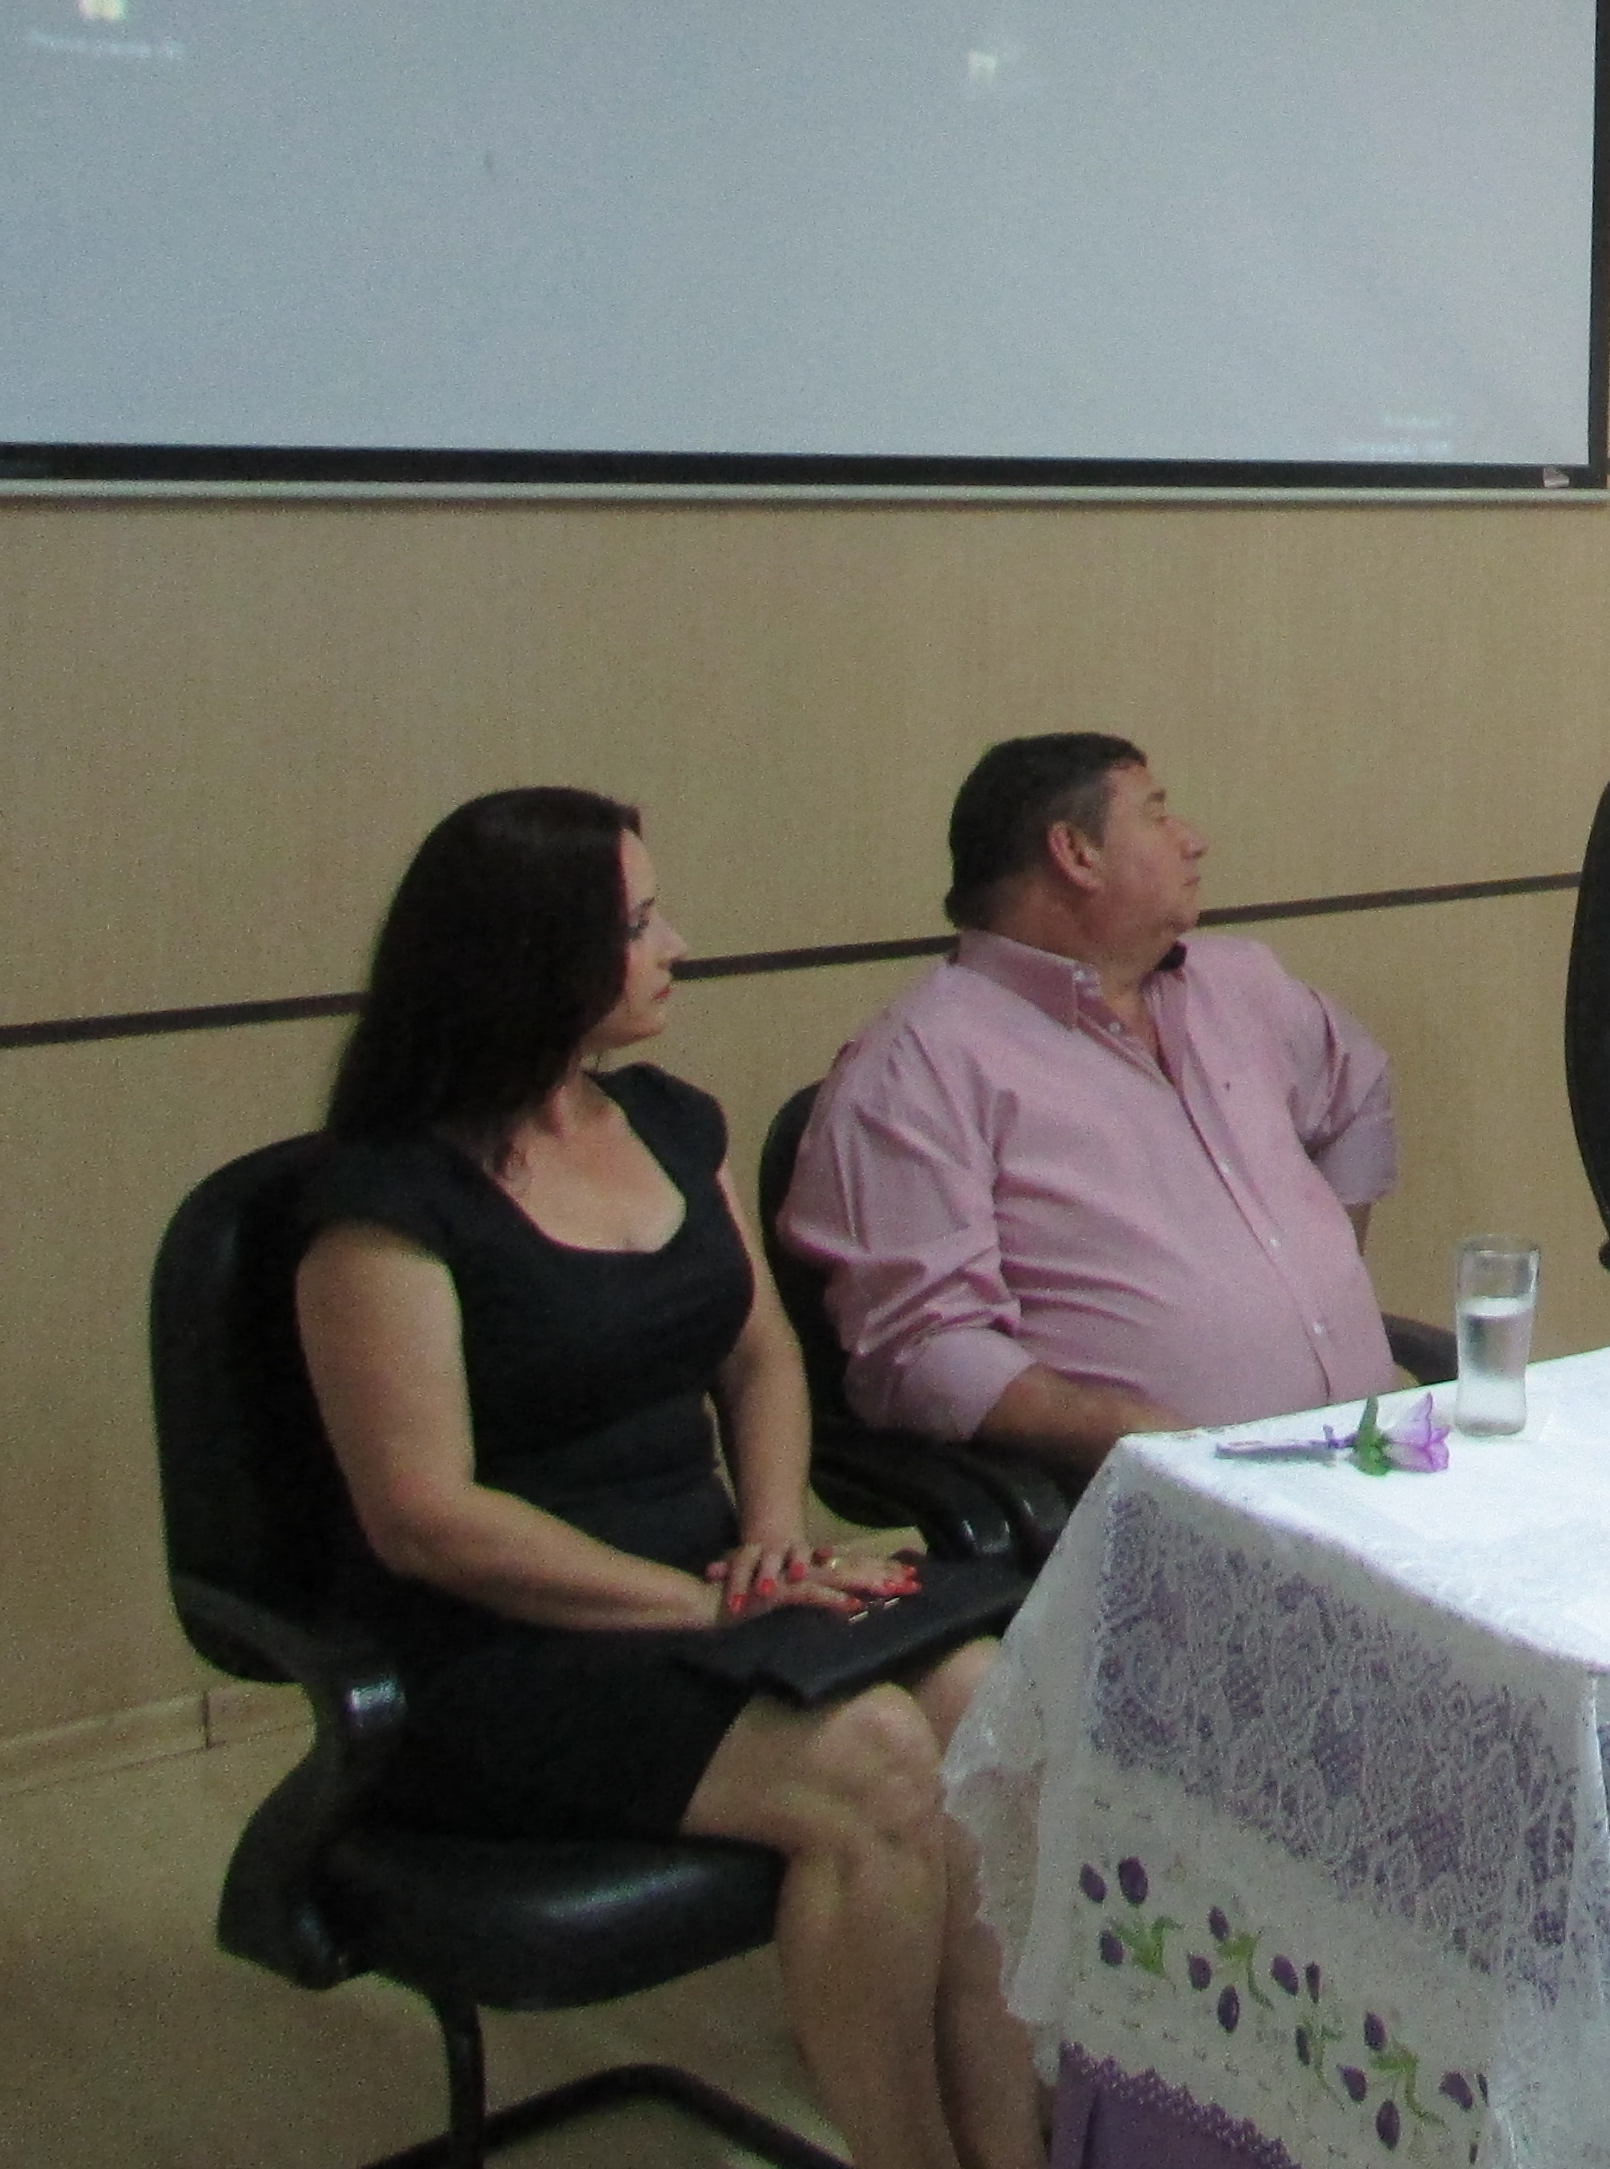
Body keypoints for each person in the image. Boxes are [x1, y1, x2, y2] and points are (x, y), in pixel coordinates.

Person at [300, 790, 1038, 2169]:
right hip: (504, 1646)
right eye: (639, 925)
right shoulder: (385, 1203)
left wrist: (771, 1535)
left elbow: (760, 1357)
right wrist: (704, 1610)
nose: (674, 945)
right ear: (533, 958)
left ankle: (1020, 2151)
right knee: (874, 1765)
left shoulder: (662, 1121)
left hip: (712, 1590)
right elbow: (425, 1519)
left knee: (985, 1706)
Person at [785, 737, 1397, 1474]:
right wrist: (1132, 1433)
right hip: (1159, 1510)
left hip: (1370, 1460)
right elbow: (921, 1351)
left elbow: (1357, 1086)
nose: (1193, 841)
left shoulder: (1239, 985)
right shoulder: (918, 1068)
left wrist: (1323, 1268)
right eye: (1157, 816)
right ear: (1076, 854)